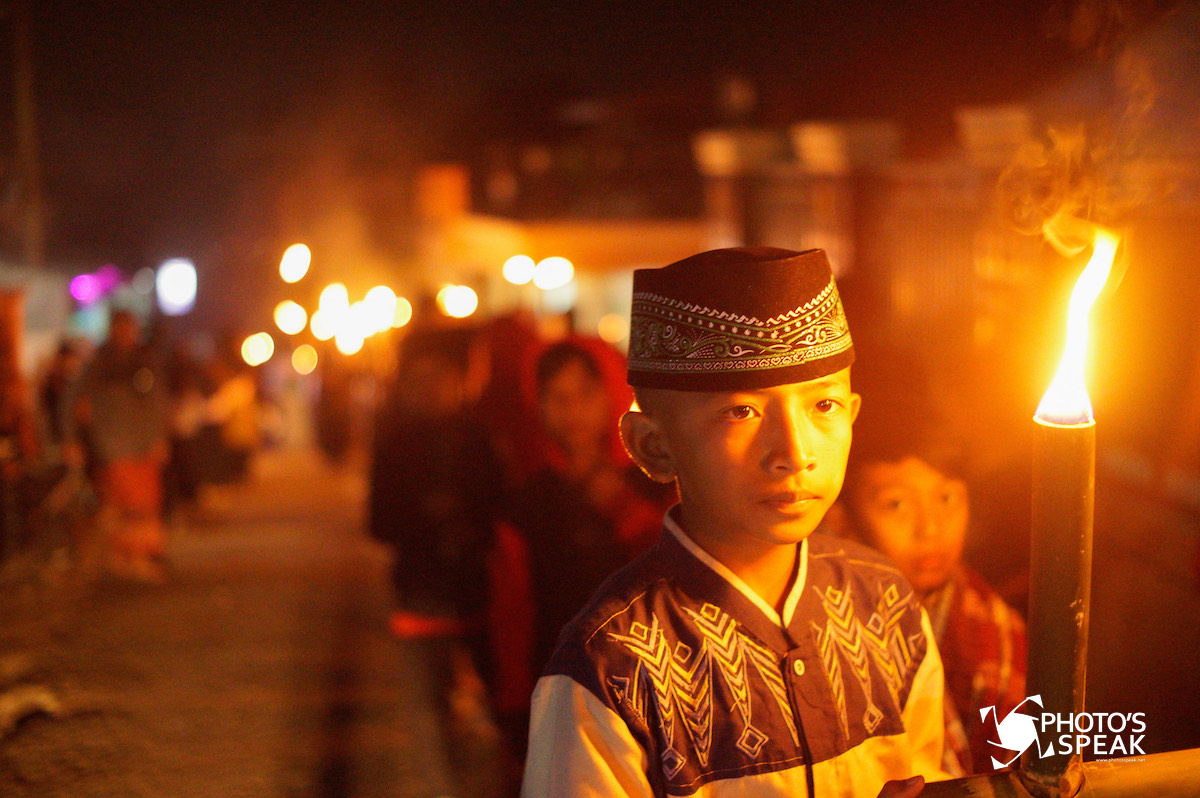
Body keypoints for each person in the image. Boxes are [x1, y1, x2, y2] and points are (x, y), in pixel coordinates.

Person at [521, 247, 947, 797]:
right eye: (740, 411)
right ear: (653, 445)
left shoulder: (885, 602)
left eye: (824, 407)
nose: (796, 453)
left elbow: (932, 771)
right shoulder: (607, 667)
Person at [495, 337, 674, 763]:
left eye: (584, 394)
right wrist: (514, 703)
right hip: (561, 683)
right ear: (537, 403)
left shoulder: (657, 481)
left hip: (649, 683)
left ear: (611, 392)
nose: (572, 410)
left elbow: (674, 573)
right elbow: (512, 606)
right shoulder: (529, 500)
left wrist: (620, 504)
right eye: (557, 397)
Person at [831, 398, 1027, 776]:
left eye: (946, 498)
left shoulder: (999, 629)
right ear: (842, 518)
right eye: (897, 505)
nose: (930, 529)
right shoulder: (827, 628)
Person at [65, 310, 171, 582]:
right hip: (112, 445)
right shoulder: (98, 363)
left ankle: (143, 556)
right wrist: (72, 439)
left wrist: (159, 437)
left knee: (145, 504)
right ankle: (125, 558)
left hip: (143, 445)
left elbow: (157, 401)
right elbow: (73, 400)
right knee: (122, 504)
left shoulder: (144, 360)